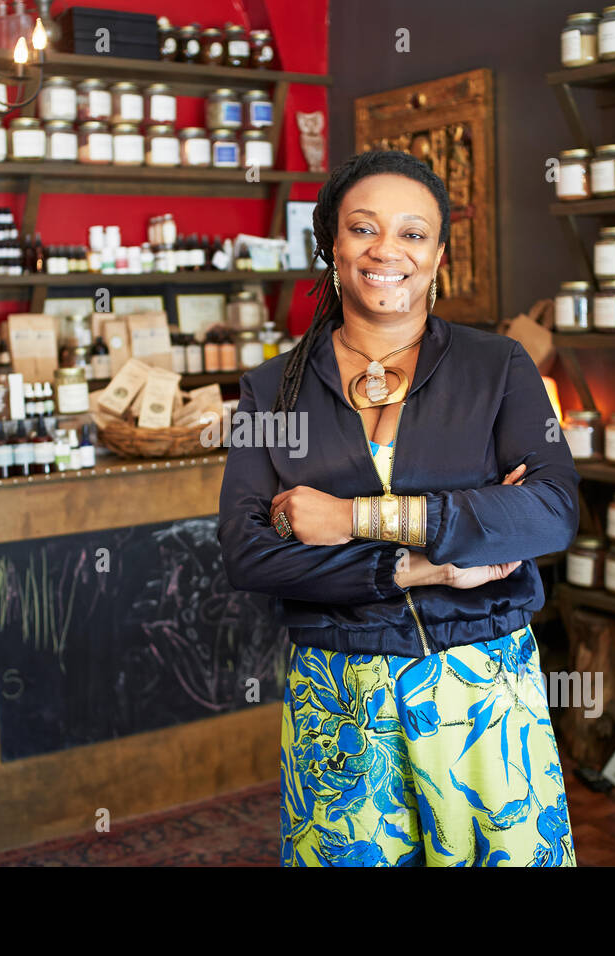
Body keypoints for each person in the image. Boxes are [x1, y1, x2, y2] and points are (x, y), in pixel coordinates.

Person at [217, 149, 580, 867]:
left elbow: (550, 512)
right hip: (340, 700)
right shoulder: (270, 392)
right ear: (333, 246)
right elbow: (248, 551)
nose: (388, 250)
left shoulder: (497, 367)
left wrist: (352, 520)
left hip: (480, 690)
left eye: (413, 234)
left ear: (439, 253)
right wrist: (428, 567)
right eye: (364, 229)